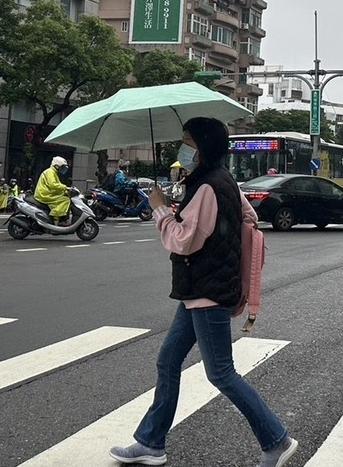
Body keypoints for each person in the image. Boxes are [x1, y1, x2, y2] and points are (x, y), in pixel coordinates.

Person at [110, 117, 298, 467]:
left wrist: (160, 209)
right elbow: (248, 216)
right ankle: (151, 442)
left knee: (221, 373)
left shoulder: (209, 186)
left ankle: (276, 440)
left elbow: (183, 241)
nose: (182, 148)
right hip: (202, 288)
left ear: (204, 146)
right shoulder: (221, 180)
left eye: (187, 141)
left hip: (207, 290)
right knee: (168, 361)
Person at [34, 156, 72, 224]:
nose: (63, 169)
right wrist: (66, 187)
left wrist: (64, 190)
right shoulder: (50, 172)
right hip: (44, 194)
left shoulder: (53, 172)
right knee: (65, 200)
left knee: (64, 197)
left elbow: (56, 185)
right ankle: (59, 219)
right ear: (57, 166)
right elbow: (53, 185)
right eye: (62, 167)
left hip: (47, 193)